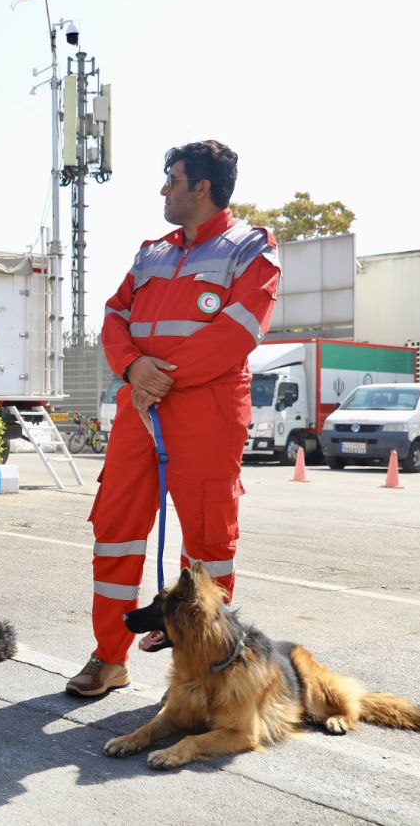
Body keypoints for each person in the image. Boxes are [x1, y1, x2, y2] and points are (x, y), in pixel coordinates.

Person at [65, 140, 281, 698]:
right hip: (140, 410)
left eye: (172, 179)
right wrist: (134, 368)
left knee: (207, 545)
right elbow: (114, 317)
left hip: (206, 412)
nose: (164, 188)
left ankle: (200, 673)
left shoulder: (251, 250)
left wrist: (160, 378)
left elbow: (237, 332)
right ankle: (108, 657)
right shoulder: (151, 254)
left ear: (201, 188)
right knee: (115, 530)